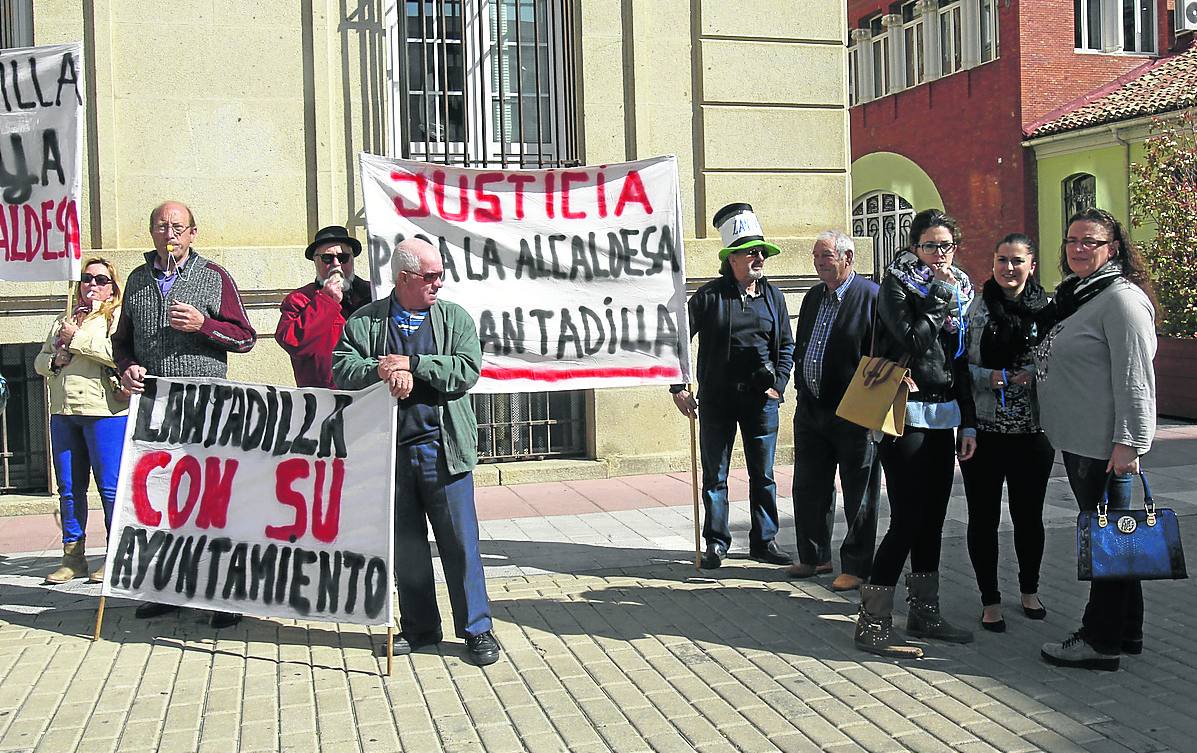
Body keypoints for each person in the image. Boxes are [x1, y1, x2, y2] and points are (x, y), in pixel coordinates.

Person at [332, 238, 500, 666]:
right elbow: (341, 368)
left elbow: (466, 370)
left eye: (440, 275)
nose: (438, 283)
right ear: (404, 278)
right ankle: (421, 627)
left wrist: (414, 365)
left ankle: (477, 629)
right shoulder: (367, 321)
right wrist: (380, 369)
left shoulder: (454, 319)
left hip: (444, 451)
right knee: (406, 545)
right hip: (390, 453)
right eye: (430, 276)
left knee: (460, 544)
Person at [113, 200, 256, 628]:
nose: (170, 233)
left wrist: (204, 326)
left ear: (193, 233)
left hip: (207, 409)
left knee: (210, 500)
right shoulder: (138, 281)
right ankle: (167, 589)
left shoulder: (213, 277)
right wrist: (127, 368)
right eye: (161, 226)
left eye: (178, 226)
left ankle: (223, 595)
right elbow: (123, 341)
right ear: (152, 233)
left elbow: (246, 338)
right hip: (157, 408)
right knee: (159, 500)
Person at [1036, 208, 1157, 672]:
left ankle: (1099, 639)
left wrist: (1130, 444)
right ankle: (1126, 630)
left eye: (1090, 241)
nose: (1078, 248)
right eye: (1072, 240)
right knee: (1117, 541)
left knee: (1106, 544)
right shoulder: (1081, 297)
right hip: (1083, 442)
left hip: (1106, 447)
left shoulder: (1121, 300)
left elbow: (1136, 379)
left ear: (1113, 248)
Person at [854, 208, 977, 658]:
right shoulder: (898, 285)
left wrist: (969, 419)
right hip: (902, 412)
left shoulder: (963, 288)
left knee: (934, 517)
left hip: (944, 414)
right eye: (929, 246)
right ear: (913, 247)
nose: (938, 255)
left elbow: (961, 360)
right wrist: (938, 297)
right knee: (907, 517)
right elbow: (910, 340)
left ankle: (925, 611)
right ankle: (872, 620)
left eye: (945, 246)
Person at [671, 203, 795, 570]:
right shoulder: (709, 297)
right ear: (732, 258)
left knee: (764, 476)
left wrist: (780, 384)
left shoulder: (774, 296)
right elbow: (677, 340)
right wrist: (678, 386)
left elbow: (787, 344)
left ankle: (764, 541)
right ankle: (716, 542)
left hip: (762, 402)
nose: (759, 257)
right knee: (716, 476)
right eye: (751, 252)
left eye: (761, 251)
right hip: (717, 401)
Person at [960, 234, 1053, 633]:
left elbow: (1062, 363)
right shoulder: (975, 310)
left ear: (1032, 264)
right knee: (983, 518)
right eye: (1001, 260)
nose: (1008, 268)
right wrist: (994, 377)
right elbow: (960, 370)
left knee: (1028, 517)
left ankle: (1029, 590)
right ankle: (990, 599)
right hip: (984, 432)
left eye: (1017, 261)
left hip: (1034, 431)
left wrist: (1034, 374)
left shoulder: (1048, 310)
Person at [787, 231, 880, 592]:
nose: (818, 262)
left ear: (848, 258)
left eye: (825, 256)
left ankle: (857, 567)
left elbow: (882, 351)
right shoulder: (813, 297)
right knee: (809, 485)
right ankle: (814, 556)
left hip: (855, 412)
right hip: (812, 408)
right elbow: (804, 343)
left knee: (860, 490)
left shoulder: (870, 297)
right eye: (815, 256)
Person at [34, 258, 130, 585]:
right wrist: (54, 359)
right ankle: (73, 555)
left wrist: (76, 340)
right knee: (69, 488)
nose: (92, 284)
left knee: (110, 488)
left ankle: (116, 553)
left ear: (112, 285)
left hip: (104, 411)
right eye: (86, 278)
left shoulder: (116, 316)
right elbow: (39, 361)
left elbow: (117, 355)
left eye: (101, 279)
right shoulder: (65, 316)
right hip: (64, 411)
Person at [276, 225, 372, 388]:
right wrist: (326, 301)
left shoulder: (373, 295)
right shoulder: (299, 300)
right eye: (328, 258)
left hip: (368, 394)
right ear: (316, 261)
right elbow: (294, 344)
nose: (336, 265)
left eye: (343, 258)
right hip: (323, 400)